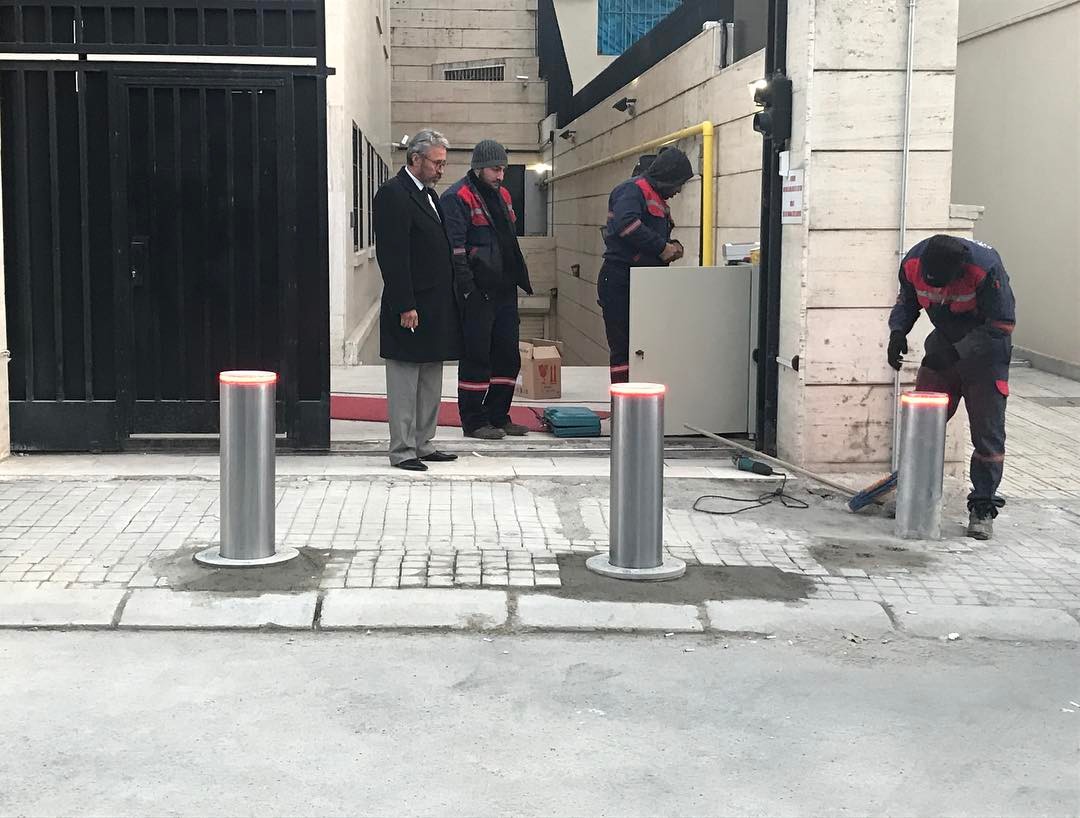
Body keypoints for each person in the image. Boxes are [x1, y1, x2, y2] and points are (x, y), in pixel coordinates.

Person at [887, 234, 1017, 540]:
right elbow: (907, 301)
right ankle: (913, 497)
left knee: (987, 433)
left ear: (959, 271)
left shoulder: (986, 268)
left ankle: (982, 506)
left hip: (986, 354)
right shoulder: (912, 264)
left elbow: (1002, 325)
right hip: (944, 343)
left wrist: (959, 353)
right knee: (921, 425)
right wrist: (897, 332)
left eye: (944, 284)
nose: (939, 292)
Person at [372, 129, 462, 472]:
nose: (441, 169)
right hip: (410, 305)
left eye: (443, 163)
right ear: (415, 159)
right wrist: (405, 304)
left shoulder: (429, 195)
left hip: (435, 305)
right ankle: (403, 449)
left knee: (430, 378)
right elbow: (393, 255)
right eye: (436, 163)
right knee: (405, 380)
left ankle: (424, 443)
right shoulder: (394, 194)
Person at [441, 139, 534, 440]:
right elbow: (455, 250)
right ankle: (474, 421)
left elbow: (507, 240)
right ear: (479, 168)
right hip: (478, 292)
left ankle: (498, 416)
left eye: (503, 169)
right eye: (495, 169)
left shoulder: (503, 195)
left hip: (504, 289)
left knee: (508, 357)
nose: (500, 176)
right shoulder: (457, 197)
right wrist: (468, 290)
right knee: (477, 357)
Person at [597, 147, 693, 383]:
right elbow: (627, 225)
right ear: (667, 177)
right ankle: (623, 401)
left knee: (645, 346)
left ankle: (641, 399)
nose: (678, 191)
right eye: (678, 184)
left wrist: (672, 245)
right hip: (620, 279)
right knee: (623, 348)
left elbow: (649, 234)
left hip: (643, 282)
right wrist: (662, 248)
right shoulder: (633, 190)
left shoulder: (657, 199)